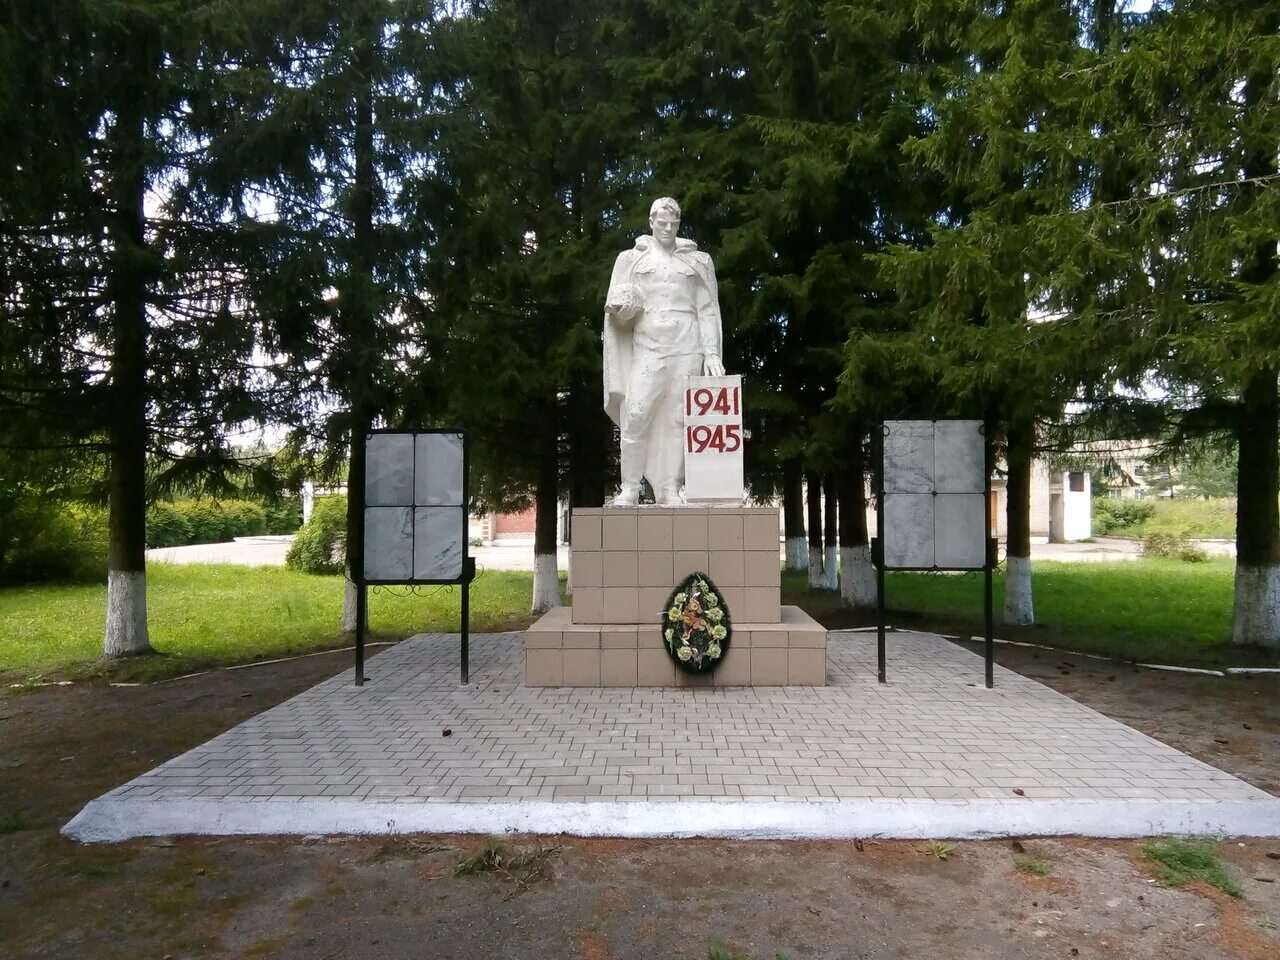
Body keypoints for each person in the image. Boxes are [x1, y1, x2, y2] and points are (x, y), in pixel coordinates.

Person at [602, 197, 725, 505]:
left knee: (678, 420)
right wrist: (621, 309)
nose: (668, 228)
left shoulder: (698, 262)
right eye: (662, 222)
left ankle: (670, 487)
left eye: (674, 223)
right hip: (649, 347)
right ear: (651, 221)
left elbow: (707, 309)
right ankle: (630, 486)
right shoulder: (630, 260)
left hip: (688, 346)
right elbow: (615, 305)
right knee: (636, 412)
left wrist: (711, 352)